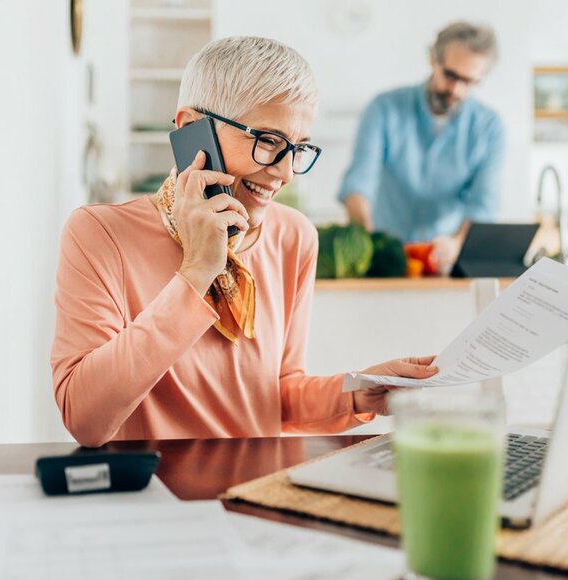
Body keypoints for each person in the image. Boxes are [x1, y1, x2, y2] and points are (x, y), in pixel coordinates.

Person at [51, 37, 437, 447]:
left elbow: (278, 396)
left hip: (258, 490)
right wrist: (197, 271)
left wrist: (358, 394)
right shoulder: (100, 234)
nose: (285, 173)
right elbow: (86, 420)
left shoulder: (294, 236)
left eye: (298, 147)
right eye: (269, 140)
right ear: (190, 129)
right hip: (152, 497)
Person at [338, 21, 505, 274]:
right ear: (433, 60)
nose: (456, 90)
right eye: (450, 75)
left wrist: (457, 243)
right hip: (385, 258)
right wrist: (369, 243)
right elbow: (359, 184)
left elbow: (483, 204)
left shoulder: (490, 128)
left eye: (469, 82)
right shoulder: (384, 109)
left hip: (445, 262)